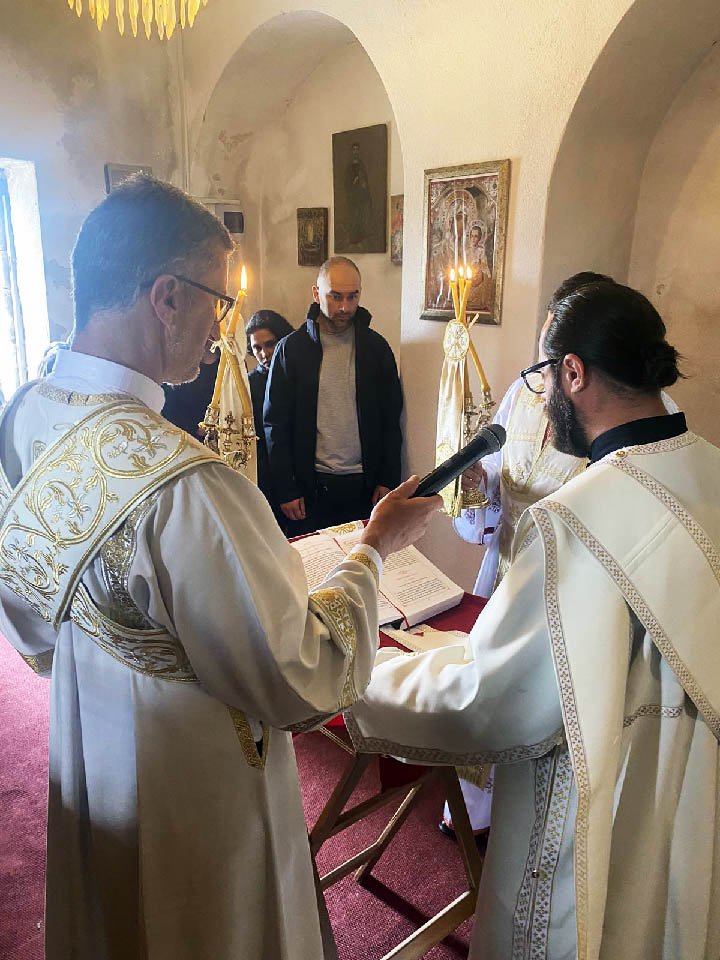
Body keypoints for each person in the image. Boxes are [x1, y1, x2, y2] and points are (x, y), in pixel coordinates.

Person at [0, 176, 440, 960]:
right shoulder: (190, 487)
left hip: (87, 736)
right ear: (167, 297)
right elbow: (302, 675)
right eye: (217, 299)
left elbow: (30, 619)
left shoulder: (23, 414)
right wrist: (374, 549)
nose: (221, 326)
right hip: (192, 779)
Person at [347, 280, 720, 960]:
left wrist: (363, 679)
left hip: (599, 793)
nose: (540, 394)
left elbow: (489, 696)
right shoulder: (707, 467)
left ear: (573, 372)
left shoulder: (575, 520)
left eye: (545, 374)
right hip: (688, 790)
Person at [440, 273, 617, 842]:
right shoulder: (524, 393)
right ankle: (471, 811)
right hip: (503, 572)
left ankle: (524, 824)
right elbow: (499, 478)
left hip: (565, 590)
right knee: (488, 689)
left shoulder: (613, 412)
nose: (541, 373)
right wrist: (475, 478)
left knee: (536, 706)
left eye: (551, 360)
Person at [265, 255, 403, 535]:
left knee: (364, 559)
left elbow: (391, 418)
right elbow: (275, 424)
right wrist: (286, 488)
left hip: (365, 488)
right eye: (335, 296)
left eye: (353, 297)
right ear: (316, 294)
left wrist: (388, 478)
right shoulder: (291, 349)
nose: (345, 307)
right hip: (310, 489)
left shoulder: (376, 349)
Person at [245, 309, 294, 525]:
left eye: (270, 344)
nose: (264, 353)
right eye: (257, 347)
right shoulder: (250, 383)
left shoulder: (298, 374)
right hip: (268, 475)